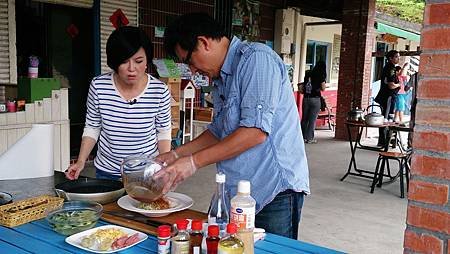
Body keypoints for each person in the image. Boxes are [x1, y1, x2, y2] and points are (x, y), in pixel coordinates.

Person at [158, 12, 310, 239]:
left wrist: (192, 163)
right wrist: (175, 155)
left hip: (272, 190)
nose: (192, 70)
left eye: (189, 61)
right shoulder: (221, 78)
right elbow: (220, 131)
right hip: (235, 190)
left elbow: (254, 133)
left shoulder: (257, 60)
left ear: (203, 43)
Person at [65, 26, 172, 180]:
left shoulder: (159, 90)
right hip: (107, 172)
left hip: (146, 172)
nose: (131, 69)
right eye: (124, 62)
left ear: (147, 60)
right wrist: (81, 161)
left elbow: (163, 132)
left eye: (138, 61)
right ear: (114, 62)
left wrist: (163, 167)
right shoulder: (99, 86)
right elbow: (93, 127)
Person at [375, 50, 400, 147]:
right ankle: (383, 141)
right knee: (386, 119)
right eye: (396, 57)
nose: (398, 58)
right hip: (388, 97)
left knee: (388, 118)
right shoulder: (391, 68)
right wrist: (399, 84)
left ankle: (385, 140)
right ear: (390, 58)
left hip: (388, 97)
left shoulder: (390, 67)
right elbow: (391, 85)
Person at [299, 61, 327, 144]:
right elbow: (323, 88)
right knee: (312, 120)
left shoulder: (308, 73)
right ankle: (309, 138)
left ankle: (301, 137)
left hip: (306, 98)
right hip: (315, 99)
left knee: (304, 119)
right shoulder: (321, 74)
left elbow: (304, 84)